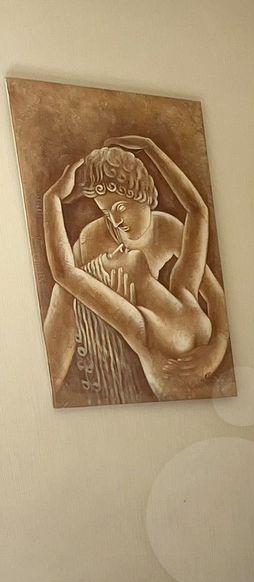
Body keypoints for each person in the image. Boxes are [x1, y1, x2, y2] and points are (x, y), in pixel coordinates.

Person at [42, 138, 230, 404]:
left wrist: (151, 148)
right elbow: (65, 273)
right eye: (109, 257)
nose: (117, 234)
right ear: (122, 283)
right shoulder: (139, 325)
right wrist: (51, 199)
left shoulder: (183, 288)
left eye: (119, 208)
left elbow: (198, 211)